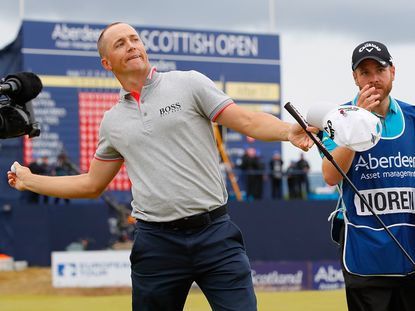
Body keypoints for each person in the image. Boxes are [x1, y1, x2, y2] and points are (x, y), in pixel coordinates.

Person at [7, 22, 315, 311]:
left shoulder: (188, 83)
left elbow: (247, 121)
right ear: (107, 64)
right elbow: (91, 184)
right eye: (120, 44)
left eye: (134, 39)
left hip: (215, 235)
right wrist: (30, 180)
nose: (131, 46)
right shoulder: (112, 122)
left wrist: (287, 131)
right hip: (157, 244)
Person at [320, 41, 415, 311]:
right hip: (366, 255)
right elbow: (330, 175)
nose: (373, 79)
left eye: (380, 70)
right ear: (355, 77)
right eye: (364, 72)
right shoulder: (337, 118)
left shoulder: (413, 117)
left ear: (393, 72)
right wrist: (357, 122)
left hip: (410, 250)